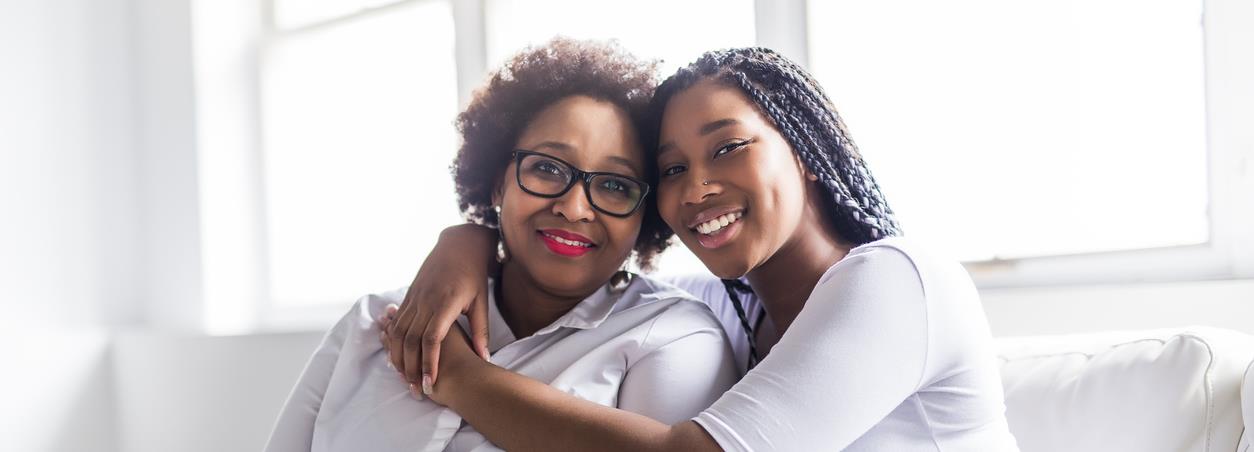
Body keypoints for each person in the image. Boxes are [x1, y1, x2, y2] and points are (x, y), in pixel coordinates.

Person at [382, 47, 1021, 451]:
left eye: (726, 148)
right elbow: (590, 280)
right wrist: (468, 238)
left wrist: (460, 377)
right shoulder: (727, 308)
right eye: (671, 170)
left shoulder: (896, 281)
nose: (697, 188)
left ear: (807, 155)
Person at [263, 38, 738, 452]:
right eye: (547, 169)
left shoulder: (674, 336)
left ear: (645, 213)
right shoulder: (373, 323)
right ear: (496, 184)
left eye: (615, 185)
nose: (575, 208)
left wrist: (460, 377)